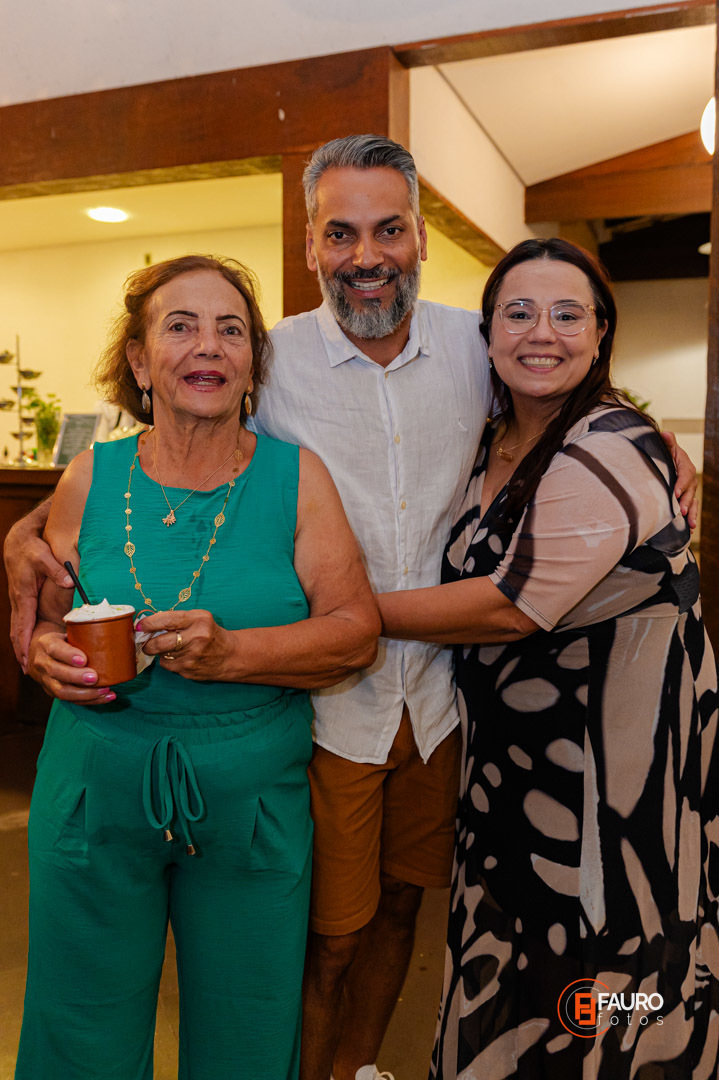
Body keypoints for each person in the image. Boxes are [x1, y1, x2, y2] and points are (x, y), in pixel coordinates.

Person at [4, 137, 700, 1080]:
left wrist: (650, 437)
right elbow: (162, 452)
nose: (366, 255)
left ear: (419, 237)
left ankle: (357, 1069)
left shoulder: (476, 344)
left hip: (447, 697)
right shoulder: (270, 356)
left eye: (388, 230)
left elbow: (561, 386)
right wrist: (25, 531)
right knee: (321, 934)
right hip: (331, 701)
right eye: (340, 233)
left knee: (404, 907)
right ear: (310, 244)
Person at [15, 254, 379, 1080]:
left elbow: (355, 634)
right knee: (79, 1028)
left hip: (251, 805)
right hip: (93, 794)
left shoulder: (296, 478)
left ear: (251, 363)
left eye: (230, 330)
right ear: (140, 362)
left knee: (247, 1031)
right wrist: (42, 653)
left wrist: (234, 653)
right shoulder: (89, 476)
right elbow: (45, 617)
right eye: (180, 327)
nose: (207, 345)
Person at [376, 238, 719, 1079]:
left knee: (608, 981)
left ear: (601, 334)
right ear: (486, 335)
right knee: (520, 972)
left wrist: (342, 618)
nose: (541, 333)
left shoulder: (610, 442)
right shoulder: (494, 438)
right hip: (518, 770)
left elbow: (512, 604)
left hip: (611, 777)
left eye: (568, 314)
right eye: (518, 313)